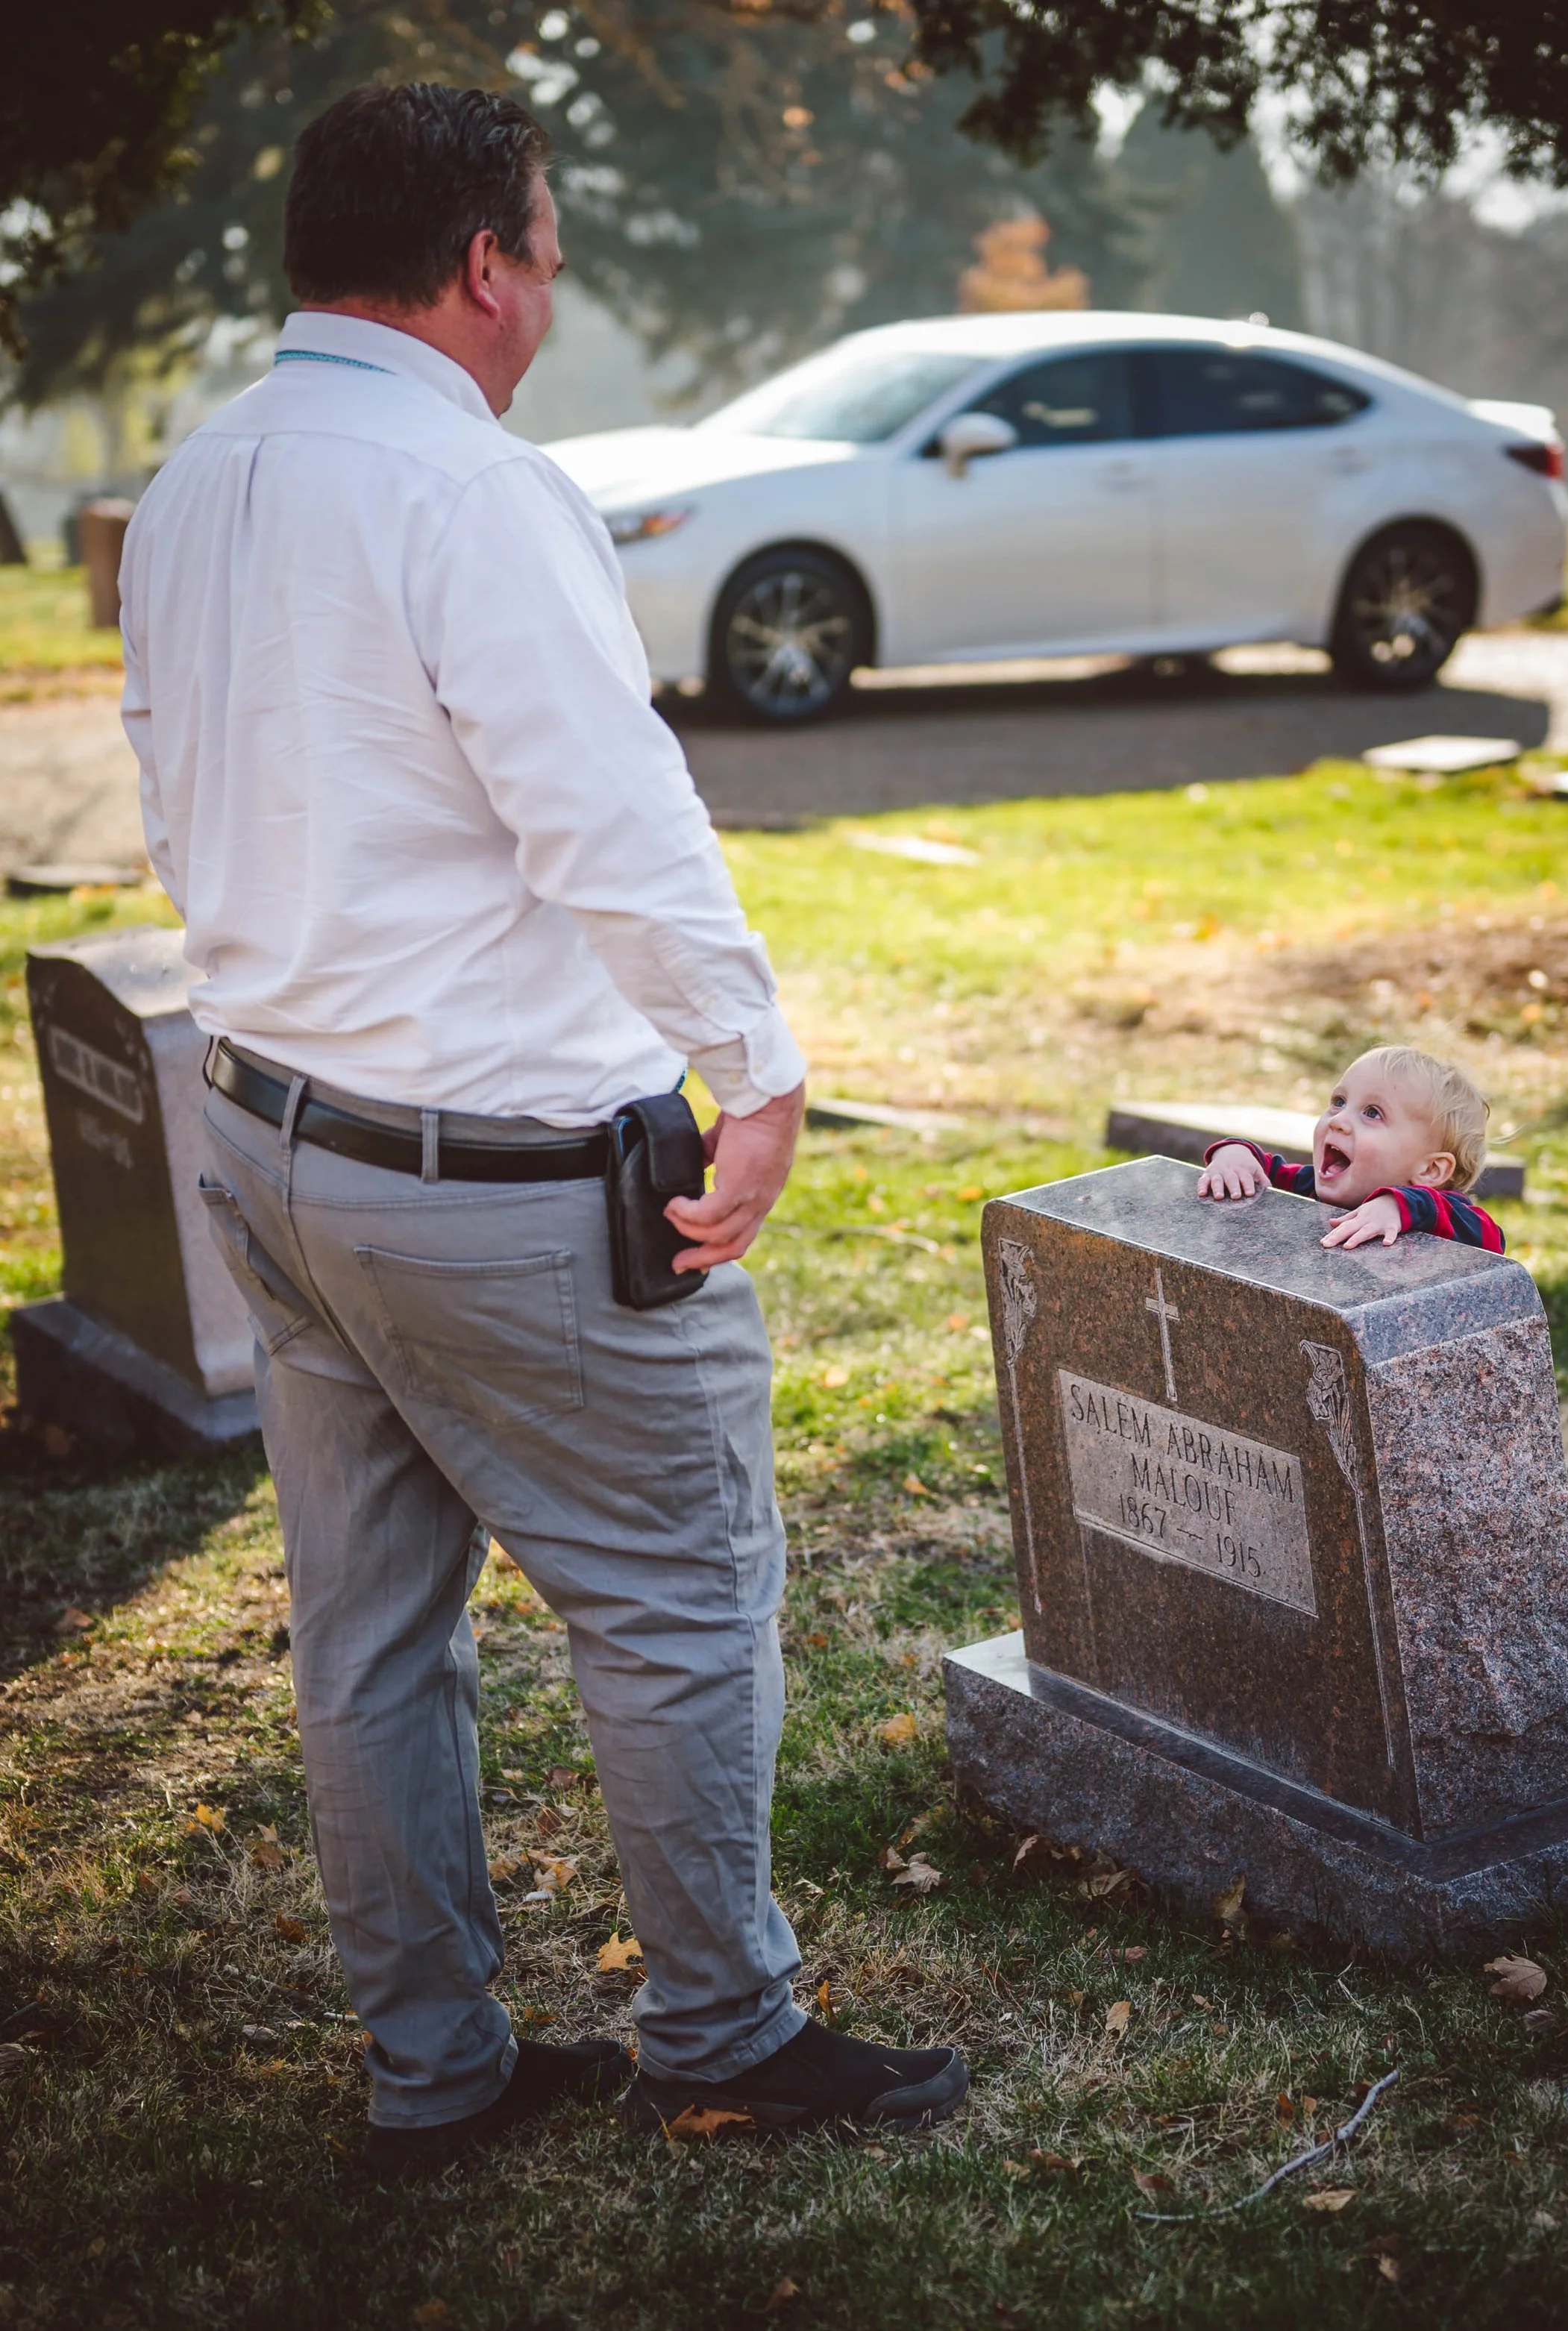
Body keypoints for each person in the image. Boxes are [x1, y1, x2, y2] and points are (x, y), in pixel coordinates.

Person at [119, 81, 968, 2180]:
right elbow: (611, 809)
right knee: (678, 1596)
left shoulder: (197, 476)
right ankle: (722, 2024)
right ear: (486, 261)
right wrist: (749, 1067)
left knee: (369, 1631)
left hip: (267, 1135)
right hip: (494, 1174)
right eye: (551, 249)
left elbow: (177, 787)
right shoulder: (473, 490)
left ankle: (437, 2065)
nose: (554, 287)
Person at [1196, 1046, 1505, 1251]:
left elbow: (1492, 1240)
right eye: (1339, 1102)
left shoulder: (1446, 1216)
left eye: (1372, 1113)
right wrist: (1235, 1154)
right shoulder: (1309, 1186)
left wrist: (1401, 1206)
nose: (1340, 1120)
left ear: (1429, 1169)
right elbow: (1266, 1171)